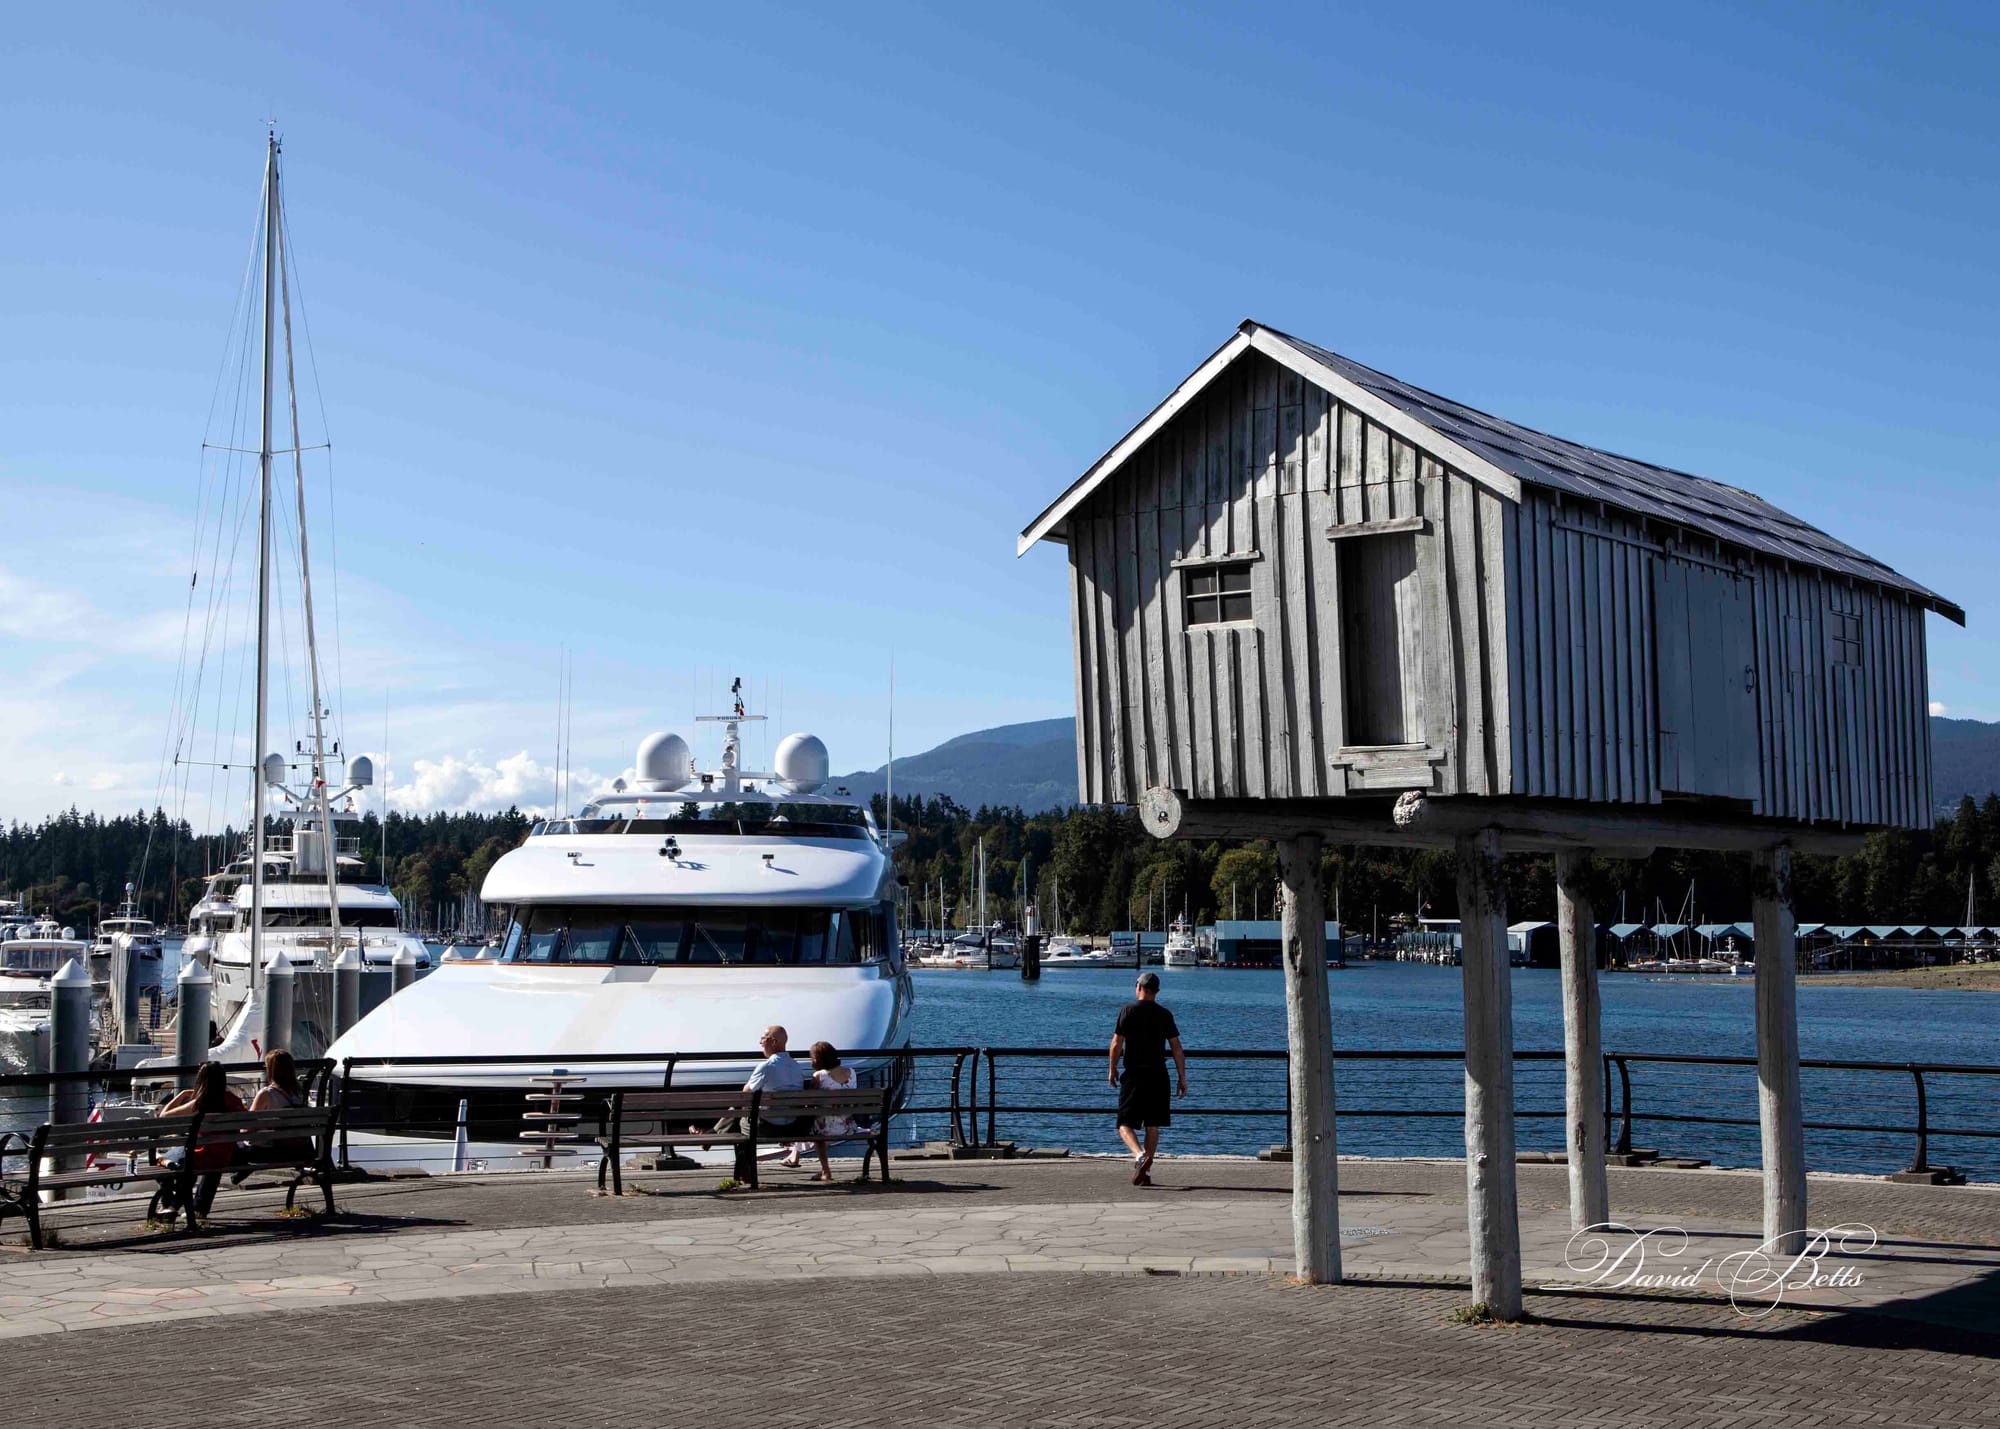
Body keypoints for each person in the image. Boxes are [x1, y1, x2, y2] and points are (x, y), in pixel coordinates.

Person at [692, 1025, 808, 1181]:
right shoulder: (796, 1067)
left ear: (773, 1042)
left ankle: (739, 1166)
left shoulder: (767, 1066)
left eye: (763, 1038)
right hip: (792, 1127)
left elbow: (745, 1092)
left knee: (741, 1116)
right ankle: (711, 1137)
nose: (760, 1042)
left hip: (769, 1127)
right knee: (743, 1112)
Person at [1108, 971, 1187, 1186]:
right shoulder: (1165, 1014)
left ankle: (1140, 1156)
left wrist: (1112, 1069)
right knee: (1153, 1125)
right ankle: (1147, 1172)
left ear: (1138, 987)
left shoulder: (1128, 1010)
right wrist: (1182, 1078)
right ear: (1157, 991)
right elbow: (1177, 1048)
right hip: (1159, 1075)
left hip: (1134, 1074)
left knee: (1124, 1123)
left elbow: (1117, 1043)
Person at [155, 1061, 246, 1219]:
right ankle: (196, 1209)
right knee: (207, 1161)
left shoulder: (200, 1102)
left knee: (166, 1160)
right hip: (227, 1155)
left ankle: (170, 1205)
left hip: (201, 1156)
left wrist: (182, 1095)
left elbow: (164, 1116)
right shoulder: (234, 1101)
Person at [782, 1041, 857, 1181]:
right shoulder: (852, 1073)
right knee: (811, 1119)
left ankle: (825, 1171)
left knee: (806, 1120)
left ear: (817, 1059)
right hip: (847, 1126)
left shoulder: (819, 1076)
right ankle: (794, 1156)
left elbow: (809, 1102)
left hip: (825, 1129)